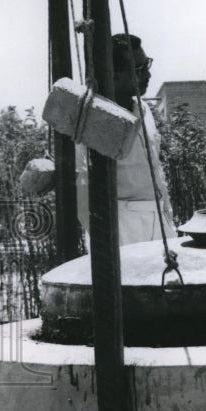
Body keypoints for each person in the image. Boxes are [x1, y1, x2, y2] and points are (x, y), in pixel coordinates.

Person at [76, 33, 175, 249]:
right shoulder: (95, 118)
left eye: (147, 66)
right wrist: (102, 240)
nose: (147, 75)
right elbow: (84, 187)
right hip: (122, 223)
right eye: (139, 70)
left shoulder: (144, 110)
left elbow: (155, 169)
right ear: (113, 75)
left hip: (158, 216)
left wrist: (167, 214)